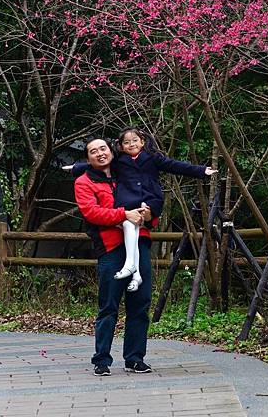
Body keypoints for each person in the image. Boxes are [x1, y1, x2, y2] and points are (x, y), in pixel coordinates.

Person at [73, 137, 158, 376]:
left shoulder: (127, 173)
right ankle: (101, 360)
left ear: (111, 150)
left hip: (139, 244)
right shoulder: (84, 181)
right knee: (109, 306)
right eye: (93, 151)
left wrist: (150, 214)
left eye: (103, 148)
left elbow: (148, 197)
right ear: (88, 158)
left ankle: (134, 358)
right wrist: (124, 214)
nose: (100, 153)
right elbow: (92, 212)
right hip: (110, 249)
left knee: (140, 304)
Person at [111, 127, 217, 290]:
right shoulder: (118, 162)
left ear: (142, 142)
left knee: (130, 226)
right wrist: (76, 168)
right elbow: (96, 166)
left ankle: (130, 265)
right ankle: (136, 273)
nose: (131, 144)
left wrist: (201, 170)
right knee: (130, 227)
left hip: (150, 200)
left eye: (135, 141)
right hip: (128, 202)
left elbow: (174, 165)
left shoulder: (152, 158)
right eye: (126, 142)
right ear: (121, 146)